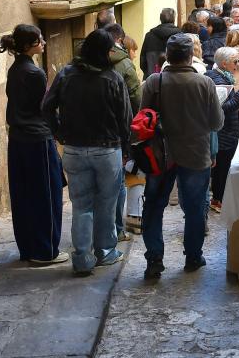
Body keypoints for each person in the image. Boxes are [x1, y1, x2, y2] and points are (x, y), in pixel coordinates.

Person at [42, 29, 132, 276]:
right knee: (106, 202)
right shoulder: (113, 78)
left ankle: (82, 257)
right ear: (106, 52)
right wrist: (127, 148)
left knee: (81, 205)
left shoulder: (66, 74)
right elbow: (125, 118)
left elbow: (46, 107)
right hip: (107, 150)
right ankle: (104, 252)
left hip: (74, 149)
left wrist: (59, 133)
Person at [140, 33, 223, 279]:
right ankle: (193, 257)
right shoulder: (204, 83)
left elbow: (144, 118)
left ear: (168, 55)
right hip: (196, 153)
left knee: (154, 207)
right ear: (190, 56)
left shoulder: (154, 82)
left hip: (160, 155)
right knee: (195, 207)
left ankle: (154, 259)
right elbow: (216, 122)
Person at [0, 24, 67, 265]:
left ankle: (28, 247)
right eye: (40, 40)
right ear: (29, 45)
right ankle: (46, 250)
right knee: (46, 194)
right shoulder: (35, 73)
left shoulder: (15, 69)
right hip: (38, 139)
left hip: (18, 139)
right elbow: (45, 108)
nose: (44, 43)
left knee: (24, 194)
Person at [103, 23, 141, 243]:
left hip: (84, 138)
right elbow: (136, 98)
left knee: (87, 199)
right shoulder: (124, 66)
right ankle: (117, 229)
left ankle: (94, 237)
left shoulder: (79, 68)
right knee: (120, 184)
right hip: (116, 134)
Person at [205, 47, 239, 213]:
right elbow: (221, 109)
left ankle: (220, 197)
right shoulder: (219, 81)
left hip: (226, 129)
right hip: (224, 131)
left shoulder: (222, 77)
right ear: (224, 63)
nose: (237, 65)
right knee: (222, 168)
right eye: (235, 62)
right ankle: (218, 199)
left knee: (223, 167)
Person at [140, 8, 180, 78]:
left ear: (160, 19)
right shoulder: (180, 36)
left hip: (152, 79)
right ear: (174, 19)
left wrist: (148, 73)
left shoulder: (149, 36)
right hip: (175, 79)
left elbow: (143, 61)